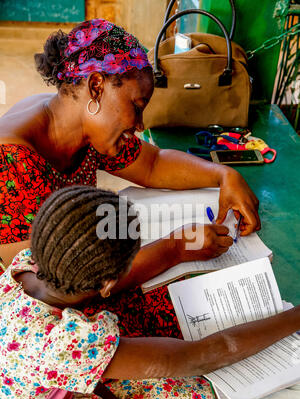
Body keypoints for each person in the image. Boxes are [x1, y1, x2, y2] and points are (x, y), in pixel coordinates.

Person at [0, 18, 260, 339]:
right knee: (195, 314)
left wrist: (224, 175)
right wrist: (175, 247)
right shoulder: (13, 159)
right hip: (40, 315)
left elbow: (152, 164)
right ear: (97, 86)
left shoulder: (79, 123)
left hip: (84, 276)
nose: (139, 124)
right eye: (136, 107)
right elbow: (47, 286)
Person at [0, 186, 299, 399]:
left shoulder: (21, 268)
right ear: (107, 284)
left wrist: (178, 247)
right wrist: (295, 317)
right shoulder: (69, 343)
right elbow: (207, 354)